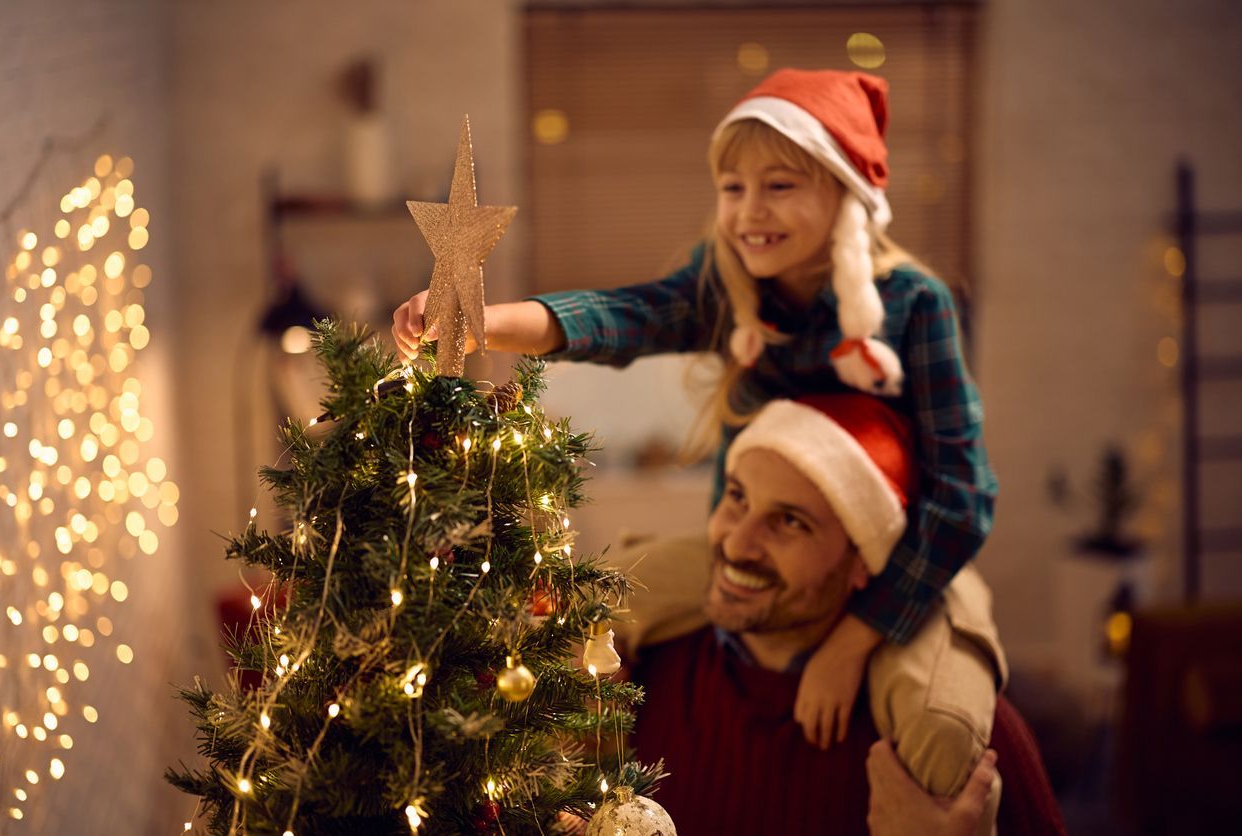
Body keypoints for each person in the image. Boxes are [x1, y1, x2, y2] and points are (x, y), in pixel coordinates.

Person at [393, 68, 999, 801]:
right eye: (733, 188)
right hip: (753, 555)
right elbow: (623, 315)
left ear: (844, 192)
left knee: (942, 720)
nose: (750, 211)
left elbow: (964, 499)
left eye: (780, 185)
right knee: (584, 622)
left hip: (901, 565)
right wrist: (481, 319)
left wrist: (853, 641)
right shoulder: (727, 284)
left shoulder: (913, 306)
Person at [622, 393, 1063, 835]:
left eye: (791, 522)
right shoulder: (644, 673)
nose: (738, 544)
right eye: (737, 496)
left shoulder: (955, 743)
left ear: (861, 564)